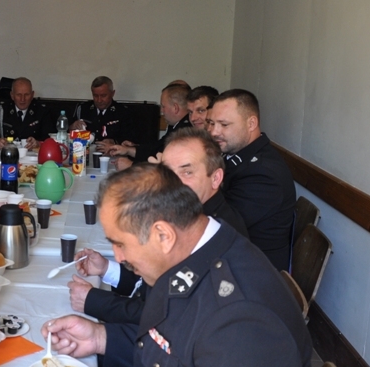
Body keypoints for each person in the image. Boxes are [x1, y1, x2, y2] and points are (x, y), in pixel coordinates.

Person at [42, 164, 316, 367]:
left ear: (163, 235)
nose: (118, 257)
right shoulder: (198, 253)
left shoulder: (241, 322)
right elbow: (179, 348)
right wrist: (101, 338)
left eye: (119, 244)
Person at [71, 128, 248, 322]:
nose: (173, 182)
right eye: (167, 172)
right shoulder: (183, 213)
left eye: (187, 172)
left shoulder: (213, 233)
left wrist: (95, 302)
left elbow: (169, 315)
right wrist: (107, 269)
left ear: (215, 178)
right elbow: (150, 284)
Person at [209, 89, 296, 272]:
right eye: (212, 123)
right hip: (234, 256)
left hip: (254, 270)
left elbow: (222, 226)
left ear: (251, 123)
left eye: (224, 124)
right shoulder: (238, 155)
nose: (214, 131)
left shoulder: (264, 174)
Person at [106, 83, 191, 168]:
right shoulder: (176, 126)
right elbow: (156, 148)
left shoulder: (185, 132)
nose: (161, 111)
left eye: (163, 106)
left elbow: (167, 166)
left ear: (175, 108)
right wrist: (128, 150)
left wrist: (131, 165)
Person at [0, 77, 52, 149]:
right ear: (12, 95)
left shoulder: (42, 111)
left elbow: (50, 139)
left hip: (33, 154)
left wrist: (38, 143)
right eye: (19, 95)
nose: (22, 99)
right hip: (7, 153)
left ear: (32, 95)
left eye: (26, 95)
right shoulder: (2, 109)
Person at [70, 76, 134, 146]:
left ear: (112, 93)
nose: (99, 100)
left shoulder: (123, 112)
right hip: (84, 149)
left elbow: (130, 139)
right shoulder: (82, 108)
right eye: (95, 96)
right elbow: (67, 133)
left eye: (103, 95)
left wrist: (114, 142)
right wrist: (72, 127)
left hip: (112, 151)